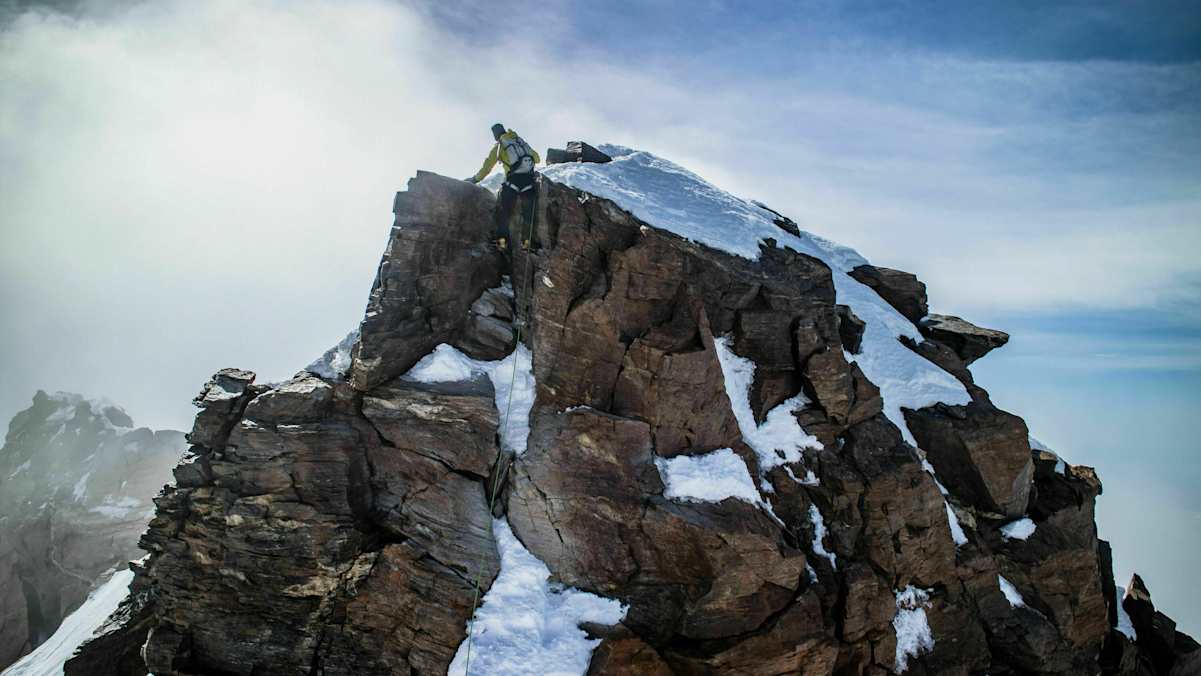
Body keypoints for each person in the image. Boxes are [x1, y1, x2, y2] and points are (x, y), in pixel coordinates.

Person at [465, 123, 540, 250]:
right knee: (529, 214)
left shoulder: (500, 146)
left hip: (512, 182)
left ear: (495, 135)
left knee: (504, 213)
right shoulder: (519, 141)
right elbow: (537, 159)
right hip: (529, 181)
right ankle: (528, 244)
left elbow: (487, 167)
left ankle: (502, 243)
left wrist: (474, 179)